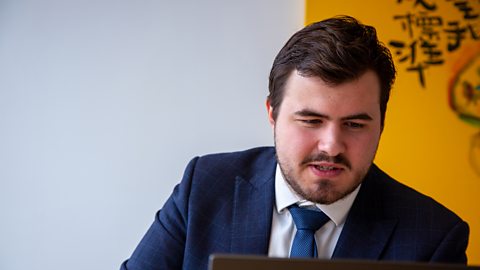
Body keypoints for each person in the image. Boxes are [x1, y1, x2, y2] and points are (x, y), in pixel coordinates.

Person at [120, 16, 469, 270]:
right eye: (311, 120)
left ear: (381, 124)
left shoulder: (434, 238)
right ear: (272, 113)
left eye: (355, 124)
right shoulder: (205, 185)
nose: (332, 146)